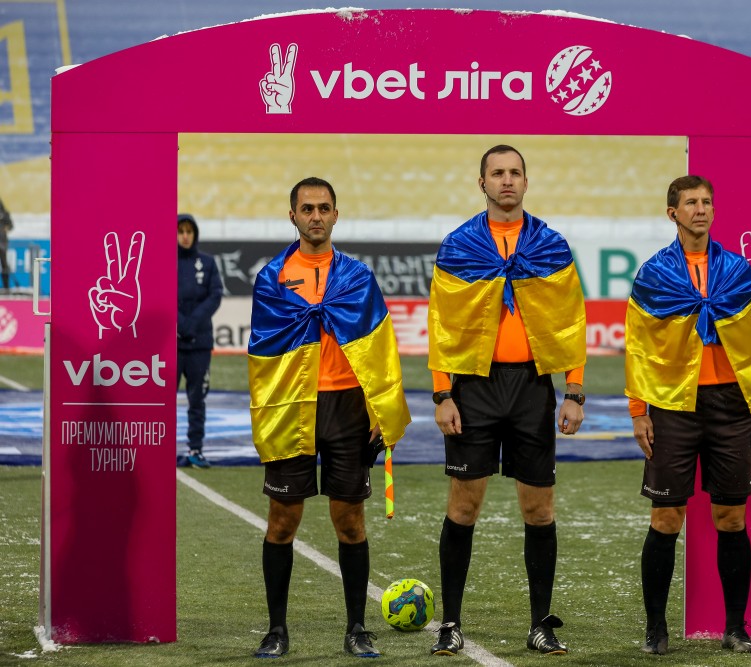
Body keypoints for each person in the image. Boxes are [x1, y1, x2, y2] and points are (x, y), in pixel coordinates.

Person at [426, 145, 587, 656]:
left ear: (526, 181)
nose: (507, 180)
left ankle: (541, 625)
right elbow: (441, 324)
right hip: (473, 387)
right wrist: (442, 393)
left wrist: (574, 391)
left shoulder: (551, 246)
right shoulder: (459, 246)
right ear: (483, 183)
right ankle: (451, 624)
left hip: (533, 389)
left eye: (515, 172)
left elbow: (571, 322)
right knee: (464, 505)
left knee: (538, 509)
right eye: (497, 173)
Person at [247, 177, 411, 659]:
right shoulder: (272, 278)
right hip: (291, 406)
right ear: (292, 215)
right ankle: (277, 630)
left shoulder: (357, 277)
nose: (315, 216)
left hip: (347, 409)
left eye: (323, 208)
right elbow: (262, 356)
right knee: (282, 520)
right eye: (307, 208)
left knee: (350, 521)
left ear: (336, 215)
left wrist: (379, 409)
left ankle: (357, 628)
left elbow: (381, 349)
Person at [625, 175, 751, 656]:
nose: (700, 209)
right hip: (672, 406)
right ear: (671, 212)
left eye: (707, 202)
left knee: (731, 518)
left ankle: (735, 628)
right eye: (691, 202)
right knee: (666, 517)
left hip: (730, 407)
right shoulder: (654, 274)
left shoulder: (738, 271)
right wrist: (638, 410)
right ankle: (656, 628)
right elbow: (638, 347)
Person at [176, 213, 223, 468]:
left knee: (197, 400)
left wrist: (191, 323)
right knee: (163, 400)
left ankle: (196, 449)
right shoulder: (163, 262)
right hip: (171, 344)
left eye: (189, 231)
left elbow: (215, 295)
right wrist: (179, 323)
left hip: (200, 343)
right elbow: (158, 295)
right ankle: (160, 448)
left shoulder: (207, 262)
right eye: (180, 231)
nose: (185, 236)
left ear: (195, 235)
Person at [0, 196, 12, 291]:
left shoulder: (4, 214)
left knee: (4, 264)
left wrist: (4, 228)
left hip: (2, 241)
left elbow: (10, 226)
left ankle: (6, 287)